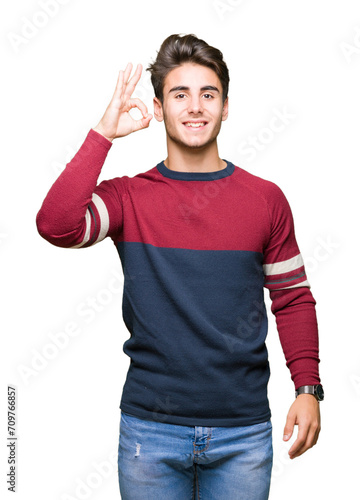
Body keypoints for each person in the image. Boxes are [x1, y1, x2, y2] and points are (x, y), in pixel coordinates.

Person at [36, 33, 323, 500]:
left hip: (243, 433)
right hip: (150, 432)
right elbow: (56, 225)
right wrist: (103, 134)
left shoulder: (265, 199)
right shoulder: (129, 197)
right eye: (179, 94)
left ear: (225, 107)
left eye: (208, 94)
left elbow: (292, 298)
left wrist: (308, 388)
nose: (195, 106)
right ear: (158, 107)